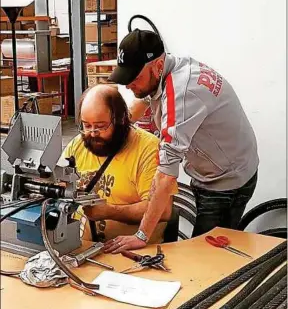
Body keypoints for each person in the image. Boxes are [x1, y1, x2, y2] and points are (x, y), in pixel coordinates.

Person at [108, 28, 259, 251]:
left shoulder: (183, 94)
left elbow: (166, 178)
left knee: (206, 256)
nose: (129, 86)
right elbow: (147, 97)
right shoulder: (169, 69)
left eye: (134, 78)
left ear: (158, 66)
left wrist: (141, 236)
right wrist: (120, 125)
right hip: (221, 164)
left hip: (226, 181)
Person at [61, 84, 177, 253]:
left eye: (101, 126)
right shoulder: (79, 144)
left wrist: (111, 211)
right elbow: (59, 182)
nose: (93, 133)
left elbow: (164, 210)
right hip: (85, 248)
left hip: (135, 252)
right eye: (86, 125)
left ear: (121, 120)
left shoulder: (148, 149)